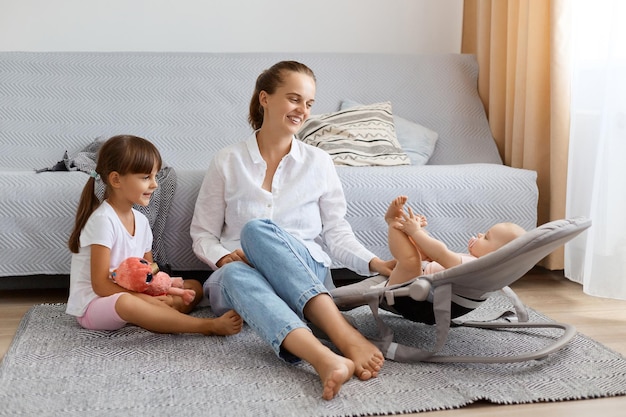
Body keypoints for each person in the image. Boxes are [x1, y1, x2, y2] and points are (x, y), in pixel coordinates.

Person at [190, 61, 396, 400]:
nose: (302, 110)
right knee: (238, 267)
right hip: (239, 278)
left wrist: (376, 264)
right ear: (265, 99)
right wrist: (226, 259)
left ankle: (334, 344)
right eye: (294, 99)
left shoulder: (319, 162)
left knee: (256, 232)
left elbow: (336, 232)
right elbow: (202, 235)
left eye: (309, 103)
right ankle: (328, 353)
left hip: (305, 272)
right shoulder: (227, 161)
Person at [66, 134, 243, 336]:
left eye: (155, 176)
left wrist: (163, 292)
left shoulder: (141, 221)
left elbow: (149, 272)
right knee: (127, 303)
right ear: (116, 179)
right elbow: (100, 285)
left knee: (194, 287)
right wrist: (146, 300)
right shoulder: (103, 220)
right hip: (95, 304)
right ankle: (205, 327)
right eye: (145, 177)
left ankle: (158, 314)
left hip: (133, 295)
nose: (155, 184)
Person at [384, 195, 526, 287]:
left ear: (496, 255)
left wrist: (416, 232)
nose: (480, 234)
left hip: (408, 287)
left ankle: (392, 221)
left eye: (486, 237)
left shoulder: (474, 267)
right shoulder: (476, 266)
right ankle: (403, 224)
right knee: (423, 250)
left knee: (411, 259)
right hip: (417, 278)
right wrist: (418, 232)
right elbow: (434, 255)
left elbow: (440, 253)